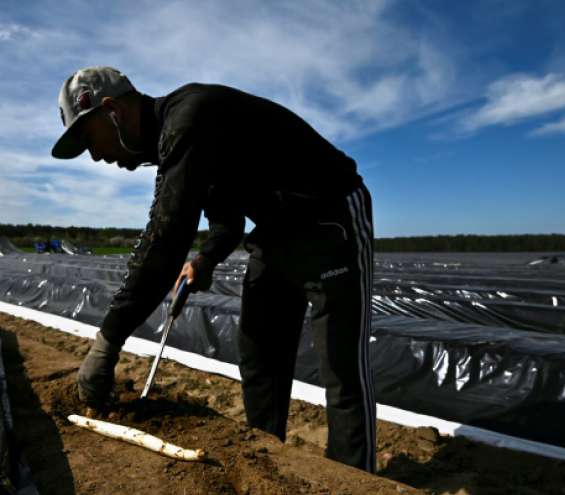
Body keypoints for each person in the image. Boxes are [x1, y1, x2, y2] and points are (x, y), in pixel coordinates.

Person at [51, 66, 376, 472]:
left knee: (342, 370)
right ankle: (268, 460)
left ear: (111, 109)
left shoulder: (190, 116)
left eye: (88, 138)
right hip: (275, 230)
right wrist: (204, 260)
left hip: (330, 219)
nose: (96, 156)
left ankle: (358, 482)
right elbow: (227, 222)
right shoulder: (176, 145)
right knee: (258, 355)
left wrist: (108, 342)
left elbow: (166, 238)